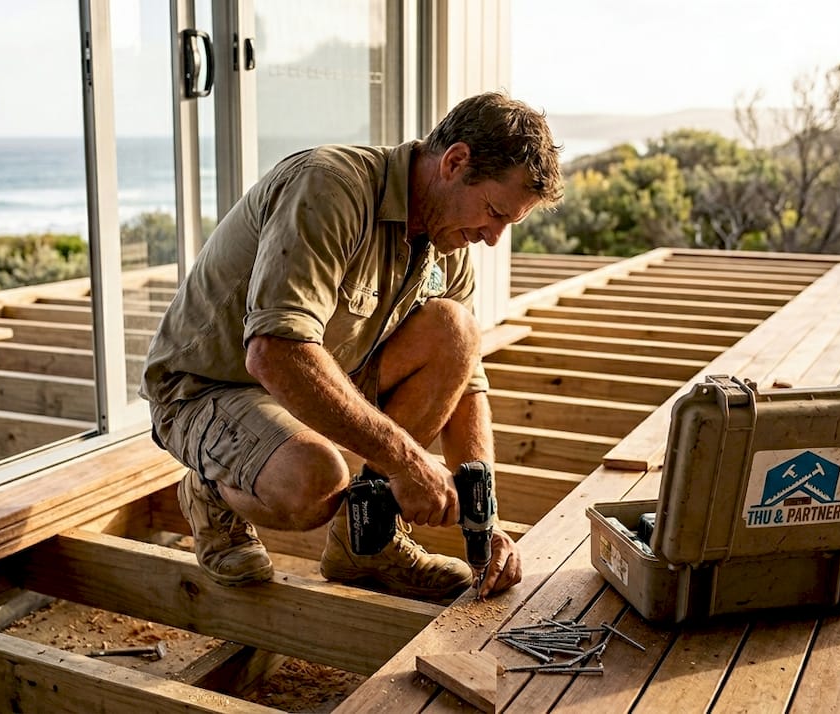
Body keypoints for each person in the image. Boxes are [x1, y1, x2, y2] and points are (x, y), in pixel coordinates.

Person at [141, 91, 564, 601]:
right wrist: (407, 462)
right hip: (209, 387)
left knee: (457, 331)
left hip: (313, 375)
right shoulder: (329, 187)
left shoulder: (449, 240)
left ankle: (365, 543)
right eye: (494, 212)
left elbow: (466, 385)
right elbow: (274, 352)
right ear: (455, 162)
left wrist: (486, 523)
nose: (493, 237)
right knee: (315, 479)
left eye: (507, 224)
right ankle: (210, 490)